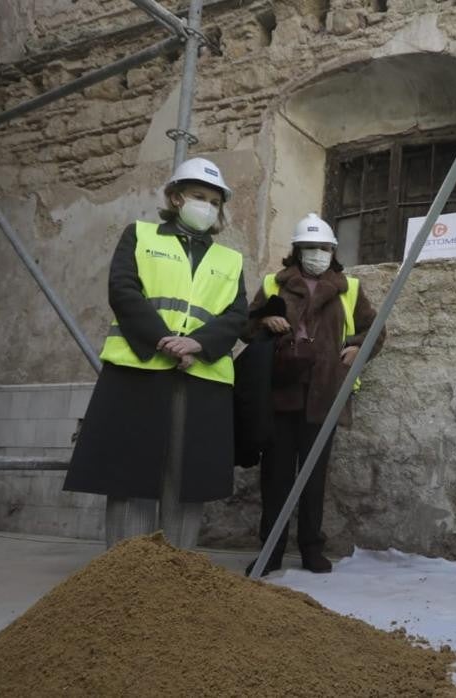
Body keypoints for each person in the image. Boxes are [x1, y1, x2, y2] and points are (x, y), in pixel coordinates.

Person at [65, 157, 247, 550]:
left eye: (215, 202)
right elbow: (124, 290)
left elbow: (236, 315)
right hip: (141, 367)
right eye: (199, 196)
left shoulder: (229, 260)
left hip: (201, 376)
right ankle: (127, 572)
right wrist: (165, 340)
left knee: (185, 480)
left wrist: (198, 343)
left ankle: (175, 578)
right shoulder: (141, 235)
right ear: (176, 197)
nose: (208, 207)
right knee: (133, 472)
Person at [244, 213, 385, 576]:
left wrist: (357, 349)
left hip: (325, 394)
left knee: (314, 476)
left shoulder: (348, 288)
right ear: (297, 250)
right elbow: (245, 326)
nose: (316, 253)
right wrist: (264, 322)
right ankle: (270, 550)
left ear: (333, 251)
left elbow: (375, 331)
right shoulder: (273, 284)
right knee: (275, 476)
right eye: (309, 247)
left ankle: (311, 547)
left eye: (322, 247)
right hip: (281, 393)